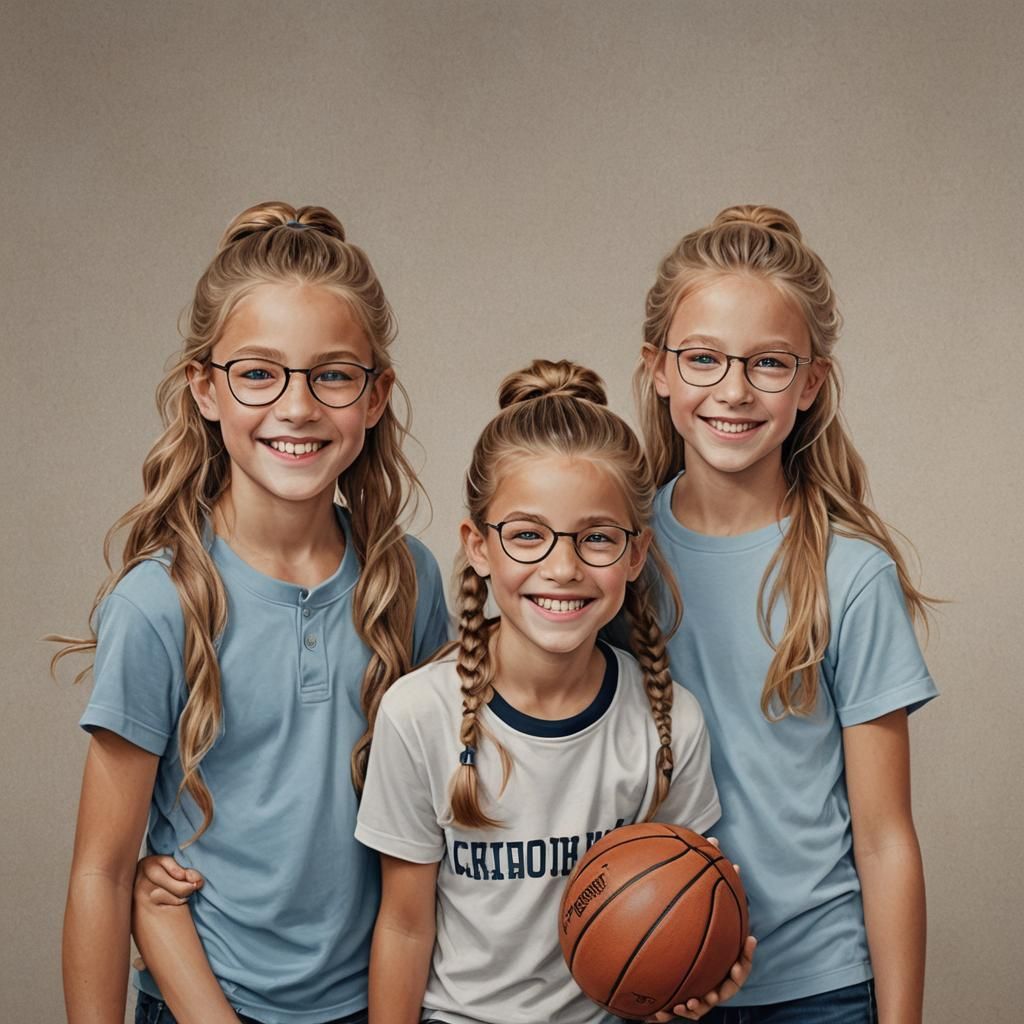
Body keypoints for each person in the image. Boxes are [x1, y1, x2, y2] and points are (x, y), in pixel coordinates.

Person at [54, 201, 450, 1024]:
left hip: (374, 1005)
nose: (298, 408)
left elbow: (435, 825)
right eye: (259, 372)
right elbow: (101, 874)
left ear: (375, 397)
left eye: (333, 374)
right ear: (206, 386)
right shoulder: (158, 604)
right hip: (201, 1004)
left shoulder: (406, 582)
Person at [354, 359, 756, 1024]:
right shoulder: (419, 714)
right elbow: (402, 929)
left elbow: (676, 911)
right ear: (478, 546)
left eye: (596, 537)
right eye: (528, 536)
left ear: (635, 553)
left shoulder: (667, 723)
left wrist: (697, 966)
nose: (562, 568)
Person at [633, 205, 938, 1024]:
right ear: (658, 369)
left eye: (768, 363)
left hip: (817, 988)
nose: (732, 390)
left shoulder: (852, 575)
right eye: (702, 358)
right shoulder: (611, 555)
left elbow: (883, 839)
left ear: (809, 383)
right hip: (647, 976)